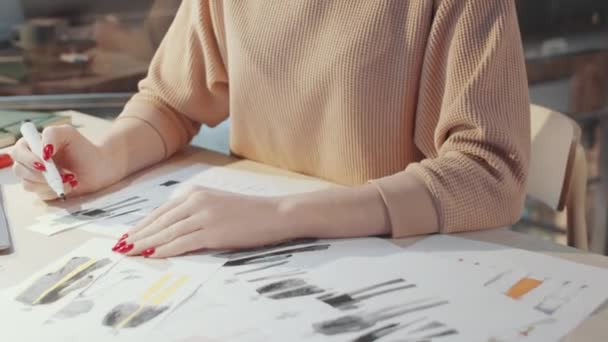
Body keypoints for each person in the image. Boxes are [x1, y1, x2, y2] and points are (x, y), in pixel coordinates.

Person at [11, 1, 530, 258]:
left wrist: (283, 215)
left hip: (400, 261)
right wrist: (109, 156)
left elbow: (491, 174)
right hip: (253, 269)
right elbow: (170, 101)